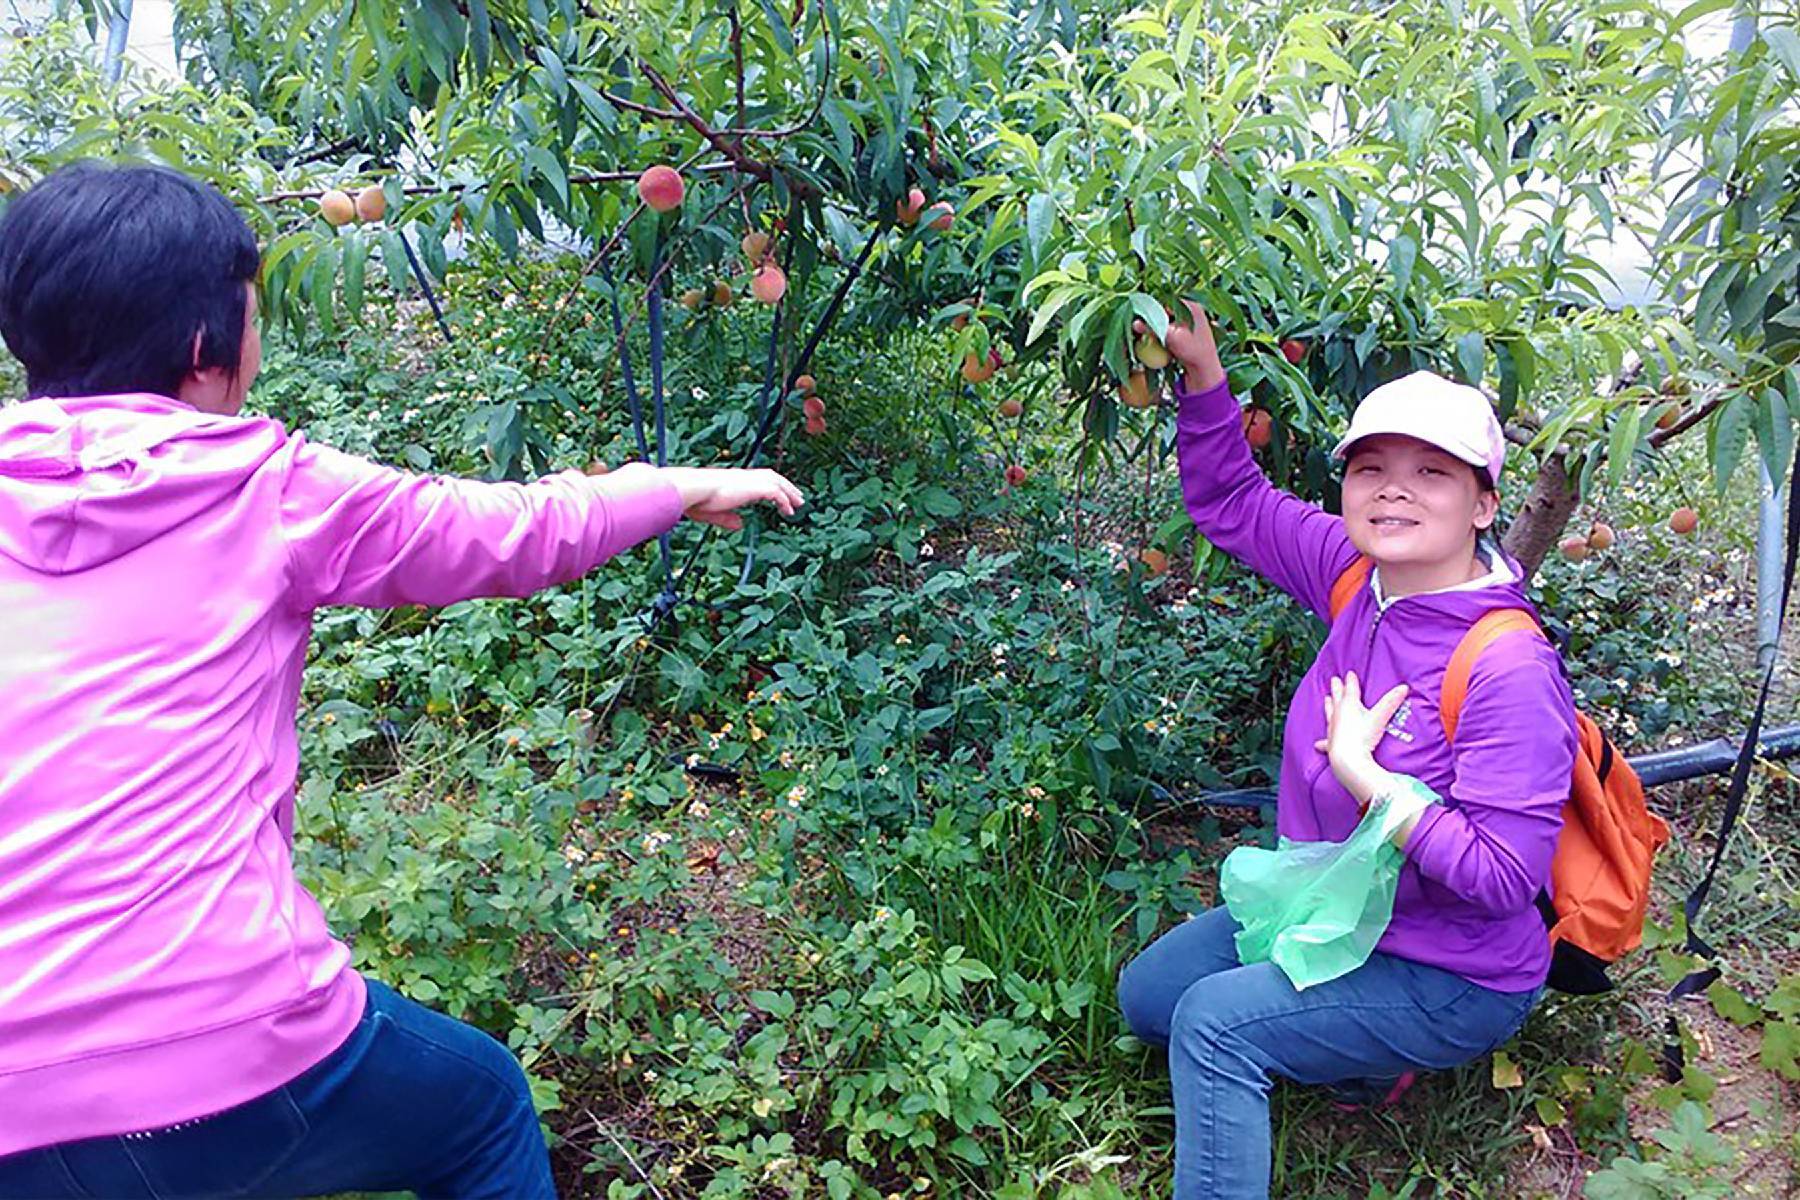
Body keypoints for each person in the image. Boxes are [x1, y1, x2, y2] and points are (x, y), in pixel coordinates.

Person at [0, 161, 803, 1199]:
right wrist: (678, 485)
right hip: (221, 1023)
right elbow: (507, 530)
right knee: (477, 1112)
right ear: (207, 350)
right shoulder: (259, 486)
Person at [1115, 304, 1576, 1199]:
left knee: (1214, 1025)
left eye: (1430, 473)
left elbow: (1502, 879)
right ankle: (1360, 1062)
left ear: (1484, 504)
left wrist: (1373, 783)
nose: (1393, 490)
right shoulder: (1359, 578)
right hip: (1336, 912)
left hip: (1451, 966)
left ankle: (1369, 1047)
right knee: (1151, 999)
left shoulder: (1505, 667)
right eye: (1371, 468)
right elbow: (1236, 505)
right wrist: (1206, 380)